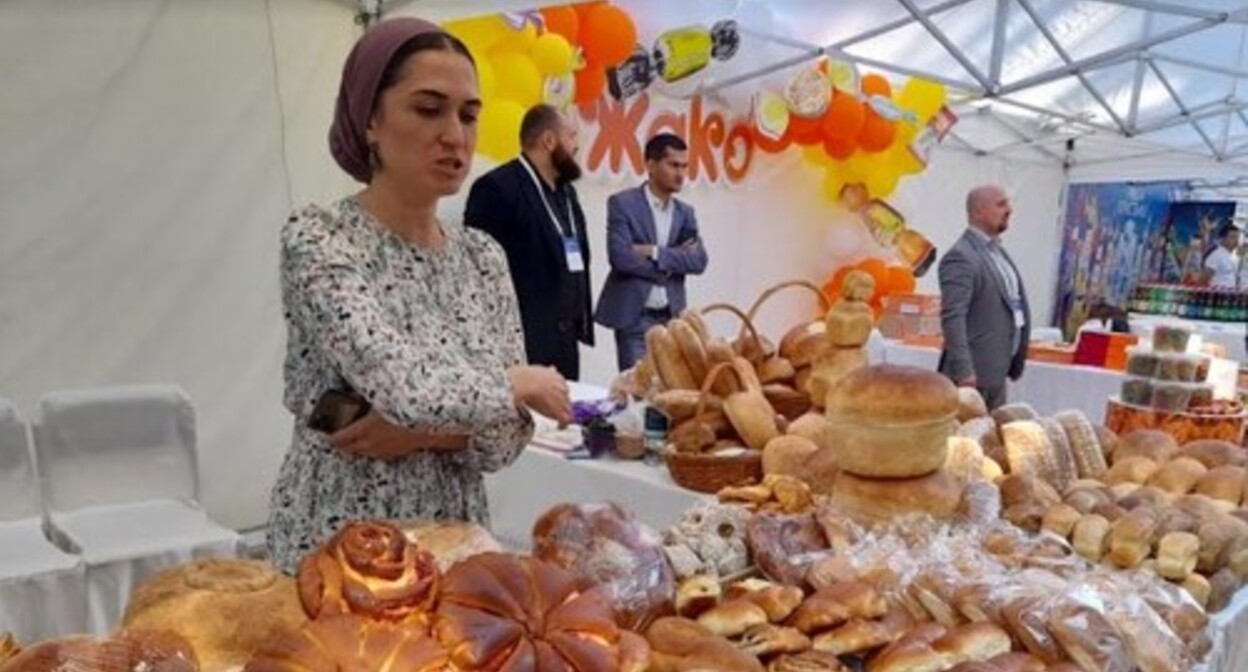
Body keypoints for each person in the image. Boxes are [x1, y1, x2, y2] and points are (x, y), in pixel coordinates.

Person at [266, 18, 571, 574]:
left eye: (469, 115)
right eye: (428, 109)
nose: (455, 134)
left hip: (455, 545)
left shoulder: (482, 259)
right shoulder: (319, 241)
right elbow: (402, 382)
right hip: (339, 544)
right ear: (370, 122)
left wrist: (419, 435)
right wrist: (516, 384)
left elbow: (507, 439)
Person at [463, 104, 593, 380]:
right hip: (521, 344)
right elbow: (475, 273)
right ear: (548, 140)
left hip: (565, 344)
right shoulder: (497, 188)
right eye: (571, 136)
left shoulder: (567, 194)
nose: (577, 146)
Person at [595, 133, 709, 371]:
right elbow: (621, 257)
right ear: (650, 165)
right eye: (673, 165)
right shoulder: (623, 204)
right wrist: (672, 264)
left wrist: (655, 252)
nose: (680, 173)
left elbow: (698, 261)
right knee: (637, 394)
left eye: (684, 166)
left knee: (667, 395)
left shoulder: (685, 213)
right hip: (634, 318)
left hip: (671, 318)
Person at [938, 184, 1031, 411]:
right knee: (962, 444)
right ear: (978, 211)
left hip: (997, 372)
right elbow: (953, 317)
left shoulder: (998, 252)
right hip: (972, 378)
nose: (1009, 210)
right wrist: (964, 370)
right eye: (1001, 204)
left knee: (989, 443)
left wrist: (1015, 360)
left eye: (1008, 204)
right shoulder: (960, 257)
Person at [1203, 223, 1240, 287]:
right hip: (1216, 295)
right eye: (1232, 237)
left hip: (1230, 295)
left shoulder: (1233, 257)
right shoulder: (1216, 255)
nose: (1236, 240)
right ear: (1223, 238)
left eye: (1237, 237)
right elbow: (1204, 278)